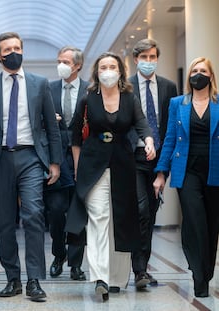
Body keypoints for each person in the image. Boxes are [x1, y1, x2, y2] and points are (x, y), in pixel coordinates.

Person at [0, 32, 62, 302]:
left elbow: (51, 126)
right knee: (4, 220)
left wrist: (55, 161)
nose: (13, 52)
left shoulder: (39, 84)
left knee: (34, 214)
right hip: (0, 159)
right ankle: (13, 277)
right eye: (7, 49)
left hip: (31, 157)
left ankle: (34, 279)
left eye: (17, 48)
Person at [65, 52, 156, 301]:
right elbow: (75, 137)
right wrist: (77, 168)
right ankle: (100, 278)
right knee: (98, 218)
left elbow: (142, 124)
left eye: (112, 66)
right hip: (93, 167)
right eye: (103, 66)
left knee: (121, 220)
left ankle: (116, 278)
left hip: (123, 166)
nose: (107, 70)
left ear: (120, 71)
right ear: (96, 72)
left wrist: (148, 140)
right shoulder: (87, 100)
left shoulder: (129, 98)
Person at [153, 57, 219, 298]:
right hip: (187, 171)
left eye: (203, 71)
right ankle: (199, 277)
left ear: (211, 76)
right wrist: (161, 173)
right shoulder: (177, 103)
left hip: (214, 171)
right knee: (195, 222)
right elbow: (169, 138)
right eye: (194, 70)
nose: (198, 74)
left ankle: (206, 271)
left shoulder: (218, 103)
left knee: (212, 226)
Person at [128, 38, 177, 289]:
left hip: (159, 159)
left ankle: (142, 268)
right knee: (141, 211)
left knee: (151, 213)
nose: (148, 62)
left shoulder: (169, 87)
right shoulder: (125, 86)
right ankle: (138, 270)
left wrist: (163, 172)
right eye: (144, 57)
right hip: (134, 158)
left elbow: (171, 130)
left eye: (152, 57)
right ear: (136, 59)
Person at [45, 46, 88, 281]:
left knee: (78, 214)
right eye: (59, 60)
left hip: (83, 160)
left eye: (66, 61)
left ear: (77, 65)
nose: (61, 64)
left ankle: (76, 263)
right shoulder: (48, 89)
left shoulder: (90, 89)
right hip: (57, 161)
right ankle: (58, 254)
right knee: (56, 212)